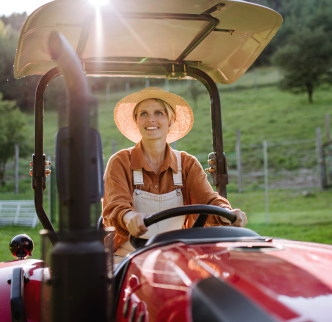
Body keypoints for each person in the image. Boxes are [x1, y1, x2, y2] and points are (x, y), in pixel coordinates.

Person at [102, 87, 247, 264]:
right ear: (136, 121)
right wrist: (129, 217)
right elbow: (116, 206)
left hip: (176, 254)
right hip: (128, 255)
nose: (151, 119)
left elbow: (208, 200)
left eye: (159, 113)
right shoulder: (121, 162)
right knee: (111, 286)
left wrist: (227, 213)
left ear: (170, 121)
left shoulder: (187, 164)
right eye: (143, 114)